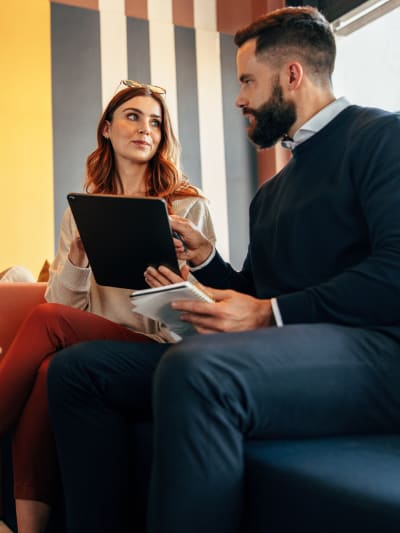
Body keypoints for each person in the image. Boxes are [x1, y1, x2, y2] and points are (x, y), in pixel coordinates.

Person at [48, 6, 400, 533]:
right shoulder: (274, 192)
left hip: (376, 354)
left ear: (292, 75)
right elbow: (253, 293)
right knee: (80, 372)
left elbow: (392, 273)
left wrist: (270, 312)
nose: (239, 98)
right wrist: (208, 260)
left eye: (247, 81)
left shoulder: (381, 138)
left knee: (198, 369)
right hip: (289, 349)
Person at [0, 81, 215, 533]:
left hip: (162, 344)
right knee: (44, 373)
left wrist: (181, 280)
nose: (145, 129)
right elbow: (64, 302)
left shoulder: (188, 207)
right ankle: (27, 527)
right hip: (93, 342)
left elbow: (210, 301)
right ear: (107, 128)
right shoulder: (80, 211)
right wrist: (77, 261)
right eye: (133, 116)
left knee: (45, 319)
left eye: (155, 122)